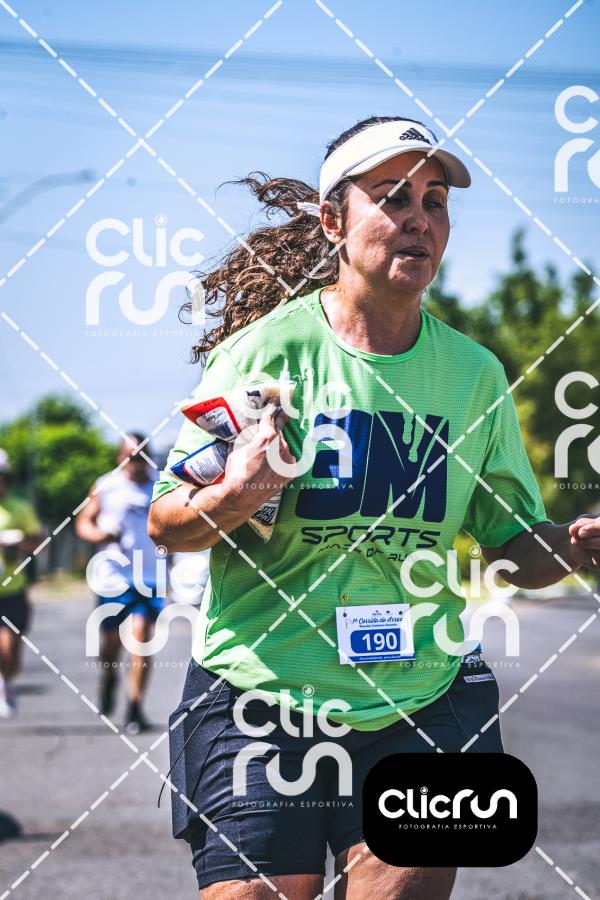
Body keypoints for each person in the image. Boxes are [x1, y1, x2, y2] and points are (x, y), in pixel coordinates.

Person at [148, 116, 600, 899]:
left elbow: (511, 544)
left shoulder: (474, 375)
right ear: (334, 221)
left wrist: (573, 542)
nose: (419, 218)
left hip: (423, 696)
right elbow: (168, 522)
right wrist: (234, 495)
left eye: (435, 202)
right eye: (392, 197)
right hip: (260, 694)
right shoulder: (265, 355)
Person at [76, 434, 160, 735]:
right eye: (130, 457)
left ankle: (135, 707)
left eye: (140, 457)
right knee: (111, 644)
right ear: (119, 457)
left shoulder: (161, 485)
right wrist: (100, 535)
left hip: (150, 577)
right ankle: (109, 678)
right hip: (113, 577)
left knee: (141, 638)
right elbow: (83, 522)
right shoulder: (106, 485)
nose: (135, 463)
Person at [0, 448, 42, 718]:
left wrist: (18, 545)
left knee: (10, 651)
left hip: (12, 590)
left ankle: (7, 681)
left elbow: (37, 542)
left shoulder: (20, 507)